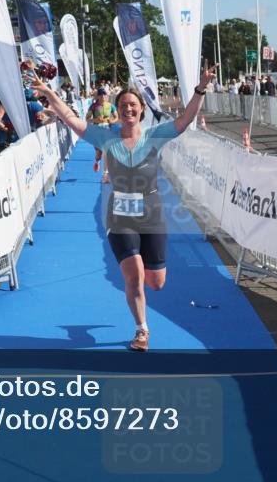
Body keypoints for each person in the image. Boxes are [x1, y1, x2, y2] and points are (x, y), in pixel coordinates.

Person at [31, 62, 219, 352]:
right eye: (123, 106)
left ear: (142, 109)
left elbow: (185, 120)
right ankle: (141, 329)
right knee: (134, 277)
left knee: (156, 283)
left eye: (133, 105)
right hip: (120, 219)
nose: (128, 109)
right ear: (117, 111)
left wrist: (200, 88)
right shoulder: (105, 137)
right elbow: (71, 119)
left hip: (152, 216)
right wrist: (50, 95)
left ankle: (84, 330)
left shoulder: (155, 136)